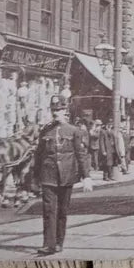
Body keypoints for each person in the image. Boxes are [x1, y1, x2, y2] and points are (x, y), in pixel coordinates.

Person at [33, 95, 91, 256]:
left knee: (62, 211)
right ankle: (48, 244)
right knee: (48, 210)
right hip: (48, 175)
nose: (55, 113)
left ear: (65, 110)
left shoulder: (74, 131)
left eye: (58, 110)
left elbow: (81, 155)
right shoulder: (45, 130)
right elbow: (39, 155)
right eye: (53, 110)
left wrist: (86, 176)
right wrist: (35, 177)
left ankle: (59, 242)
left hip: (66, 176)